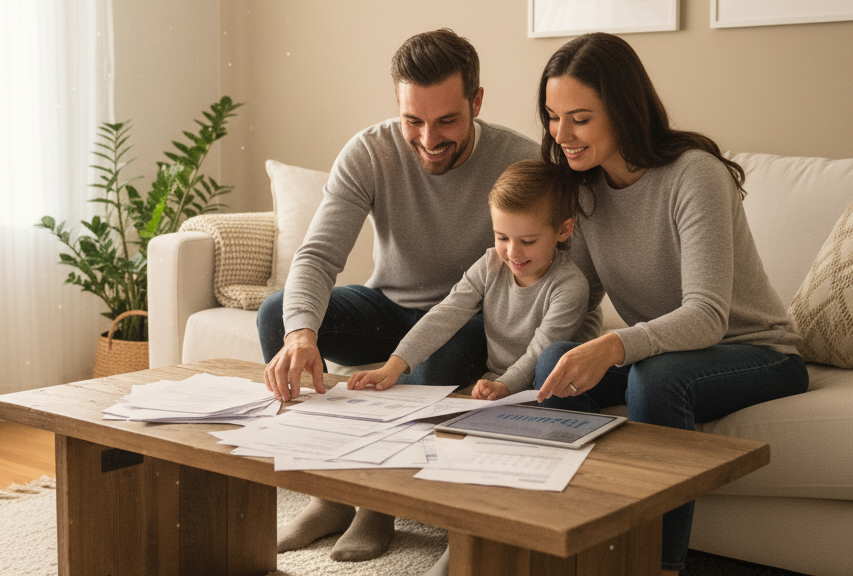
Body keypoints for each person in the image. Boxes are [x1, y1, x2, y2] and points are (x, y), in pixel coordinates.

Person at [256, 29, 537, 566]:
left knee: (444, 347)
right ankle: (332, 495)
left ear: (476, 102)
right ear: (398, 106)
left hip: (464, 318)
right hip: (386, 308)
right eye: (414, 120)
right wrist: (300, 335)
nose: (428, 138)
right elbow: (316, 257)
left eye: (447, 121)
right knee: (278, 315)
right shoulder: (370, 151)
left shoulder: (519, 161)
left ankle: (379, 503)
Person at [531, 32, 809, 576]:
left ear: (624, 112)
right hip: (667, 353)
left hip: (757, 352)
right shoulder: (583, 189)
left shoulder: (694, 174)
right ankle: (573, 549)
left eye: (580, 118)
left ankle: (657, 566)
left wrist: (613, 346)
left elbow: (706, 314)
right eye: (552, 115)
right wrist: (546, 356)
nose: (560, 134)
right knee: (553, 364)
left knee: (655, 379)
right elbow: (582, 301)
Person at [346, 160, 588, 404]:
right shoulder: (491, 264)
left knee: (550, 372)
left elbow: (540, 352)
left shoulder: (569, 286)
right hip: (496, 380)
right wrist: (393, 365)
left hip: (544, 384)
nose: (512, 253)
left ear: (563, 230)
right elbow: (446, 313)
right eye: (502, 237)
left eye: (528, 241)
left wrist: (503, 385)